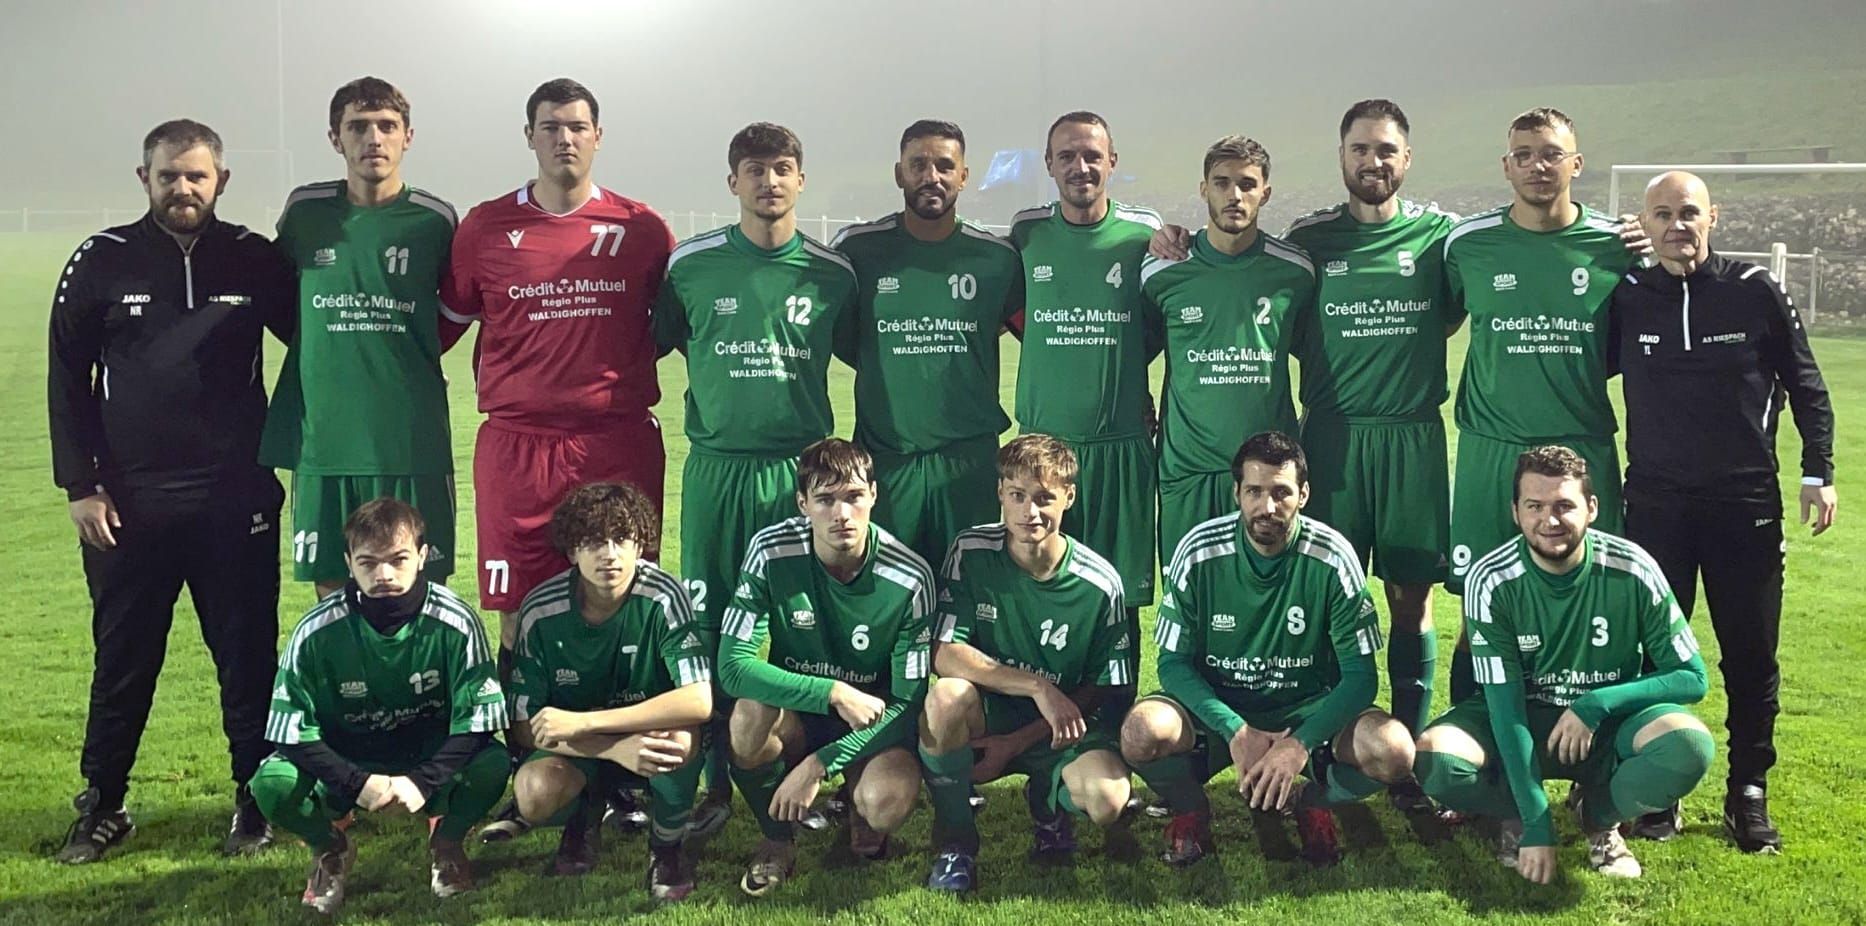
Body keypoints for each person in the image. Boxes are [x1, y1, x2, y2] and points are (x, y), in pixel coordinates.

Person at [1148, 103, 1460, 813]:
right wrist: (1159, 234)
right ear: (1340, 155)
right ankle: (1263, 747)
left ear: (1406, 158)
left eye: (1386, 149)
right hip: (1329, 435)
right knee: (1309, 596)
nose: (1373, 161)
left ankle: (1399, 753)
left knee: (1413, 598)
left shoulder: (1442, 236)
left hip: (1411, 436)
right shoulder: (1310, 245)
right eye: (1359, 148)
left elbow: (1457, 305)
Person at [46, 118, 295, 863]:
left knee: (247, 655)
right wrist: (80, 485)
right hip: (128, 507)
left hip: (234, 500)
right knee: (123, 658)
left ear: (221, 180)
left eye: (196, 175)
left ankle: (255, 800)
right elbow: (67, 378)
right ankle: (103, 804)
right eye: (168, 175)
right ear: (144, 178)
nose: (182, 188)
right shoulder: (102, 259)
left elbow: (320, 343)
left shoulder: (255, 259)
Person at [442, 77, 676, 842]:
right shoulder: (484, 228)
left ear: (598, 136)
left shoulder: (642, 229)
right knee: (518, 615)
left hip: (613, 439)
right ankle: (532, 774)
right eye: (550, 127)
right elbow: (442, 324)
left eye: (577, 126)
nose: (564, 139)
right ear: (529, 136)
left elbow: (670, 324)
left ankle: (626, 778)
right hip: (518, 444)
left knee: (626, 598)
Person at [1610, 171, 1837, 852]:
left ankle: (1748, 793)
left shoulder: (1754, 290)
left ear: (1713, 218)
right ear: (1643, 225)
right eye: (1662, 215)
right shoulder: (1626, 296)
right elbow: (1580, 372)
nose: (1677, 225)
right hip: (1654, 504)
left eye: (1689, 213)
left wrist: (1817, 471)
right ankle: (1658, 791)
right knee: (1653, 657)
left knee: (1750, 654)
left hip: (1744, 504)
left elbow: (1806, 383)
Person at [653, 121, 859, 832]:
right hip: (717, 473)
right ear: (732, 182)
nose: (769, 182)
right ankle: (713, 776)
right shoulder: (691, 266)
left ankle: (810, 770)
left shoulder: (833, 275)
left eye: (782, 169)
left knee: (803, 626)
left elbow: (861, 351)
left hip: (796, 475)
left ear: (800, 180)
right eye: (754, 169)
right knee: (711, 624)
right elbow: (663, 340)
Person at [1414, 446, 1713, 883]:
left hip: (1606, 726)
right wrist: (1536, 821)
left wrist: (1595, 704)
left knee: (1689, 746)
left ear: (1591, 507)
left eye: (1564, 506)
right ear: (1515, 512)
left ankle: (1598, 818)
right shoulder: (1490, 579)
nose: (1549, 521)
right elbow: (1505, 706)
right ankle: (1516, 815)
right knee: (1435, 761)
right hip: (1526, 718)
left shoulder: (1633, 568)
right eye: (1534, 506)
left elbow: (1693, 677)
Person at [1121, 431, 1413, 868]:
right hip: (1221, 713)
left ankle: (1313, 800)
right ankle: (1190, 809)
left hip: (1308, 715)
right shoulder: (1199, 550)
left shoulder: (1333, 557)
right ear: (1236, 492)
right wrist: (1235, 730)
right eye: (1255, 492)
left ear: (1304, 494)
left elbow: (1360, 676)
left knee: (1395, 752)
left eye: (1281, 493)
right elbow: (1173, 663)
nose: (1268, 507)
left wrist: (1299, 744)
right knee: (1140, 733)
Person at [1439, 107, 1640, 706]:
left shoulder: (1616, 245)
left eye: (1552, 153)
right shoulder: (1467, 245)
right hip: (1490, 452)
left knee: (1592, 601)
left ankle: (1599, 761)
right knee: (1482, 601)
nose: (1538, 166)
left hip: (1582, 449)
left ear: (1576, 164)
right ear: (1506, 167)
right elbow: (1437, 319)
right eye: (1524, 154)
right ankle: (1471, 753)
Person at [252, 498, 508, 915]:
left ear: (423, 557)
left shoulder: (457, 622)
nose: (384, 574)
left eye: (398, 559)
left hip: (427, 752)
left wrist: (423, 781)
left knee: (493, 763)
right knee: (271, 783)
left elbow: (479, 722)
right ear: (348, 562)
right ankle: (330, 849)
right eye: (368, 562)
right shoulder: (315, 631)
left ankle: (447, 842)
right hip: (346, 754)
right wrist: (355, 783)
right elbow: (289, 732)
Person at [261, 76, 460, 599]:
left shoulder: (435, 221)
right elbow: (281, 298)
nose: (374, 138)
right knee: (331, 587)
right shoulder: (304, 211)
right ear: (335, 138)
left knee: (420, 584)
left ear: (408, 137)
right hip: (325, 435)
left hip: (409, 436)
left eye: (387, 126)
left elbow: (455, 311)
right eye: (358, 127)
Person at [919, 434, 1135, 893]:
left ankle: (1050, 809)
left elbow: (1105, 685)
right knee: (946, 697)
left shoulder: (1100, 584)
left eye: (1044, 498)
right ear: (1000, 493)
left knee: (1108, 798)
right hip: (994, 713)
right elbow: (944, 652)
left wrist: (1020, 740)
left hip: (1061, 728)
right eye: (1017, 496)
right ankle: (956, 844)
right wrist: (1038, 687)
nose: (1029, 513)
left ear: (1069, 498)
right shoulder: (971, 551)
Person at [716, 439, 932, 896]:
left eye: (854, 496)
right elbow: (733, 669)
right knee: (749, 714)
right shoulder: (770, 551)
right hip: (798, 716)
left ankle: (861, 813)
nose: (842, 514)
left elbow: (908, 702)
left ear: (874, 494)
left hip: (871, 726)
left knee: (886, 801)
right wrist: (831, 692)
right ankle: (776, 838)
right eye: (825, 499)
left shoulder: (910, 576)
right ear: (802, 503)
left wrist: (820, 765)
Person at [831, 119, 1023, 568]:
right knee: (892, 593)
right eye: (918, 164)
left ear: (963, 175)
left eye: (944, 165)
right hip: (888, 458)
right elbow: (842, 338)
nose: (931, 176)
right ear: (899, 173)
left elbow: (1028, 330)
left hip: (969, 460)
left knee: (968, 591)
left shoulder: (996, 258)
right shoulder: (858, 250)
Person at [506, 483, 710, 898]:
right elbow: (523, 727)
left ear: (641, 547)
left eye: (622, 540)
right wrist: (611, 747)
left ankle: (667, 846)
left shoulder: (664, 595)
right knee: (534, 791)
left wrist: (589, 721)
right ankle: (583, 815)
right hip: (578, 748)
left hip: (631, 733)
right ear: (571, 551)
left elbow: (699, 699)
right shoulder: (541, 609)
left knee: (678, 739)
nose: (610, 555)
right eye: (594, 542)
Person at [1010, 111, 1163, 646]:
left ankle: (1120, 719)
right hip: (1043, 447)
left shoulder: (1146, 234)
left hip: (1121, 447)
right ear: (1050, 164)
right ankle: (1041, 712)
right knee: (1037, 585)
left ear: (1112, 163)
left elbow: (1165, 320)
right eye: (1068, 156)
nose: (1081, 166)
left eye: (1092, 155)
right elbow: (1012, 311)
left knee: (1122, 597)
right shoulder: (1026, 233)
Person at [1139, 134, 1313, 563]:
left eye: (1248, 184)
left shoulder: (1296, 271)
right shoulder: (1162, 271)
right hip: (1188, 472)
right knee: (1188, 603)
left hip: (1268, 477)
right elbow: (1131, 351)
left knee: (1268, 602)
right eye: (1221, 182)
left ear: (1265, 193)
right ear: (1204, 189)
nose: (1234, 195)